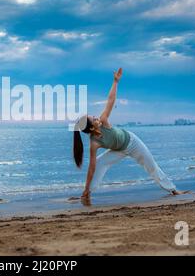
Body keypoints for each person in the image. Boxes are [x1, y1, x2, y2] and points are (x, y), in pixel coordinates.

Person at [73, 68, 187, 204]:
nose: (96, 117)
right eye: (93, 118)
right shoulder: (94, 143)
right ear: (92, 127)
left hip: (132, 142)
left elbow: (110, 101)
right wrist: (86, 186)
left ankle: (173, 190)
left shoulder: (103, 120)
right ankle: (87, 193)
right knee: (99, 163)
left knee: (151, 165)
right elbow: (91, 168)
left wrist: (115, 81)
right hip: (118, 150)